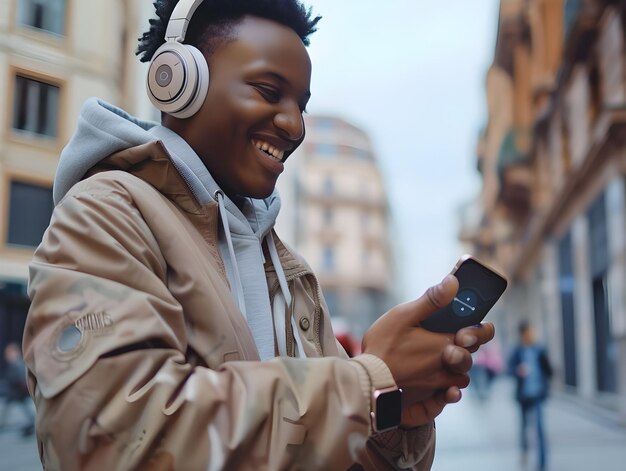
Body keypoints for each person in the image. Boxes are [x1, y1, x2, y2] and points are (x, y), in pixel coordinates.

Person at [22, 0, 495, 469]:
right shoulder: (105, 214)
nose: (294, 125)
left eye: (301, 105)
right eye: (269, 92)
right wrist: (362, 385)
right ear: (178, 82)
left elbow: (328, 449)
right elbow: (112, 444)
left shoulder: (290, 271)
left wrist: (396, 415)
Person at [508, 321, 553, 471]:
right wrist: (517, 371)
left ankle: (542, 462)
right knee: (524, 427)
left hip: (538, 395)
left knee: (539, 428)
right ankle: (524, 451)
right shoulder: (518, 351)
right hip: (523, 396)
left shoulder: (539, 349)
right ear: (522, 334)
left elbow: (549, 370)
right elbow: (509, 368)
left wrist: (546, 383)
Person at [0, 343, 34, 436]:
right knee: (21, 408)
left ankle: (32, 422)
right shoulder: (15, 363)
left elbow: (20, 378)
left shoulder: (17, 364)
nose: (7, 356)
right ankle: (32, 421)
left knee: (22, 408)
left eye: (9, 353)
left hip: (17, 392)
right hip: (15, 392)